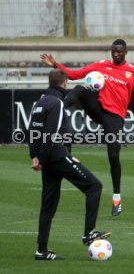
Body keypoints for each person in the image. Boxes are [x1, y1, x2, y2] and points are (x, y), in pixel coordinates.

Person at [40, 39, 134, 217]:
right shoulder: (101, 65)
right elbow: (73, 75)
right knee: (79, 89)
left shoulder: (133, 72)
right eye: (113, 51)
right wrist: (56, 64)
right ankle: (57, 106)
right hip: (98, 109)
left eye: (119, 51)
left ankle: (116, 198)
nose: (115, 54)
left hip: (114, 117)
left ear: (125, 52)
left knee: (113, 155)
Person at [28, 69, 111, 261]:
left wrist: (35, 156)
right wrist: (42, 155)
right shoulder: (56, 102)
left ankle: (42, 250)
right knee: (94, 186)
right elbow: (51, 132)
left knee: (47, 205)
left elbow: (32, 130)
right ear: (65, 83)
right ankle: (89, 233)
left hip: (47, 159)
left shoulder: (39, 103)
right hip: (57, 155)